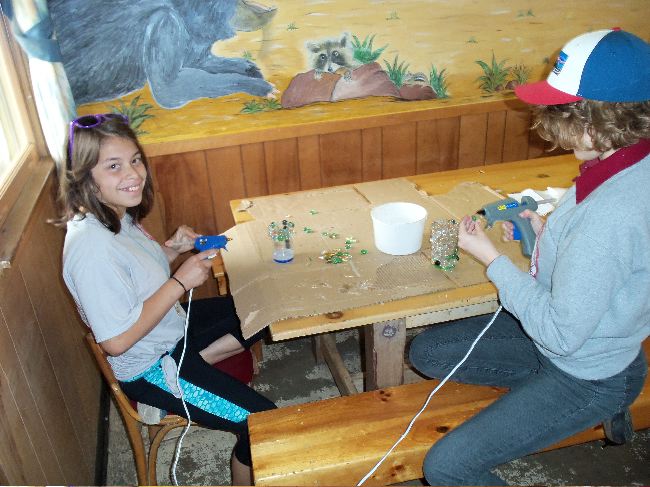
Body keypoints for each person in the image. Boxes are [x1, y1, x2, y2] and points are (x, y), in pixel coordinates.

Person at [409, 28, 650, 485]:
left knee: (446, 467)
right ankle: (547, 403)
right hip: (582, 342)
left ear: (598, 119)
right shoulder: (625, 165)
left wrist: (492, 260)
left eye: (559, 111)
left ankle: (591, 404)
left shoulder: (609, 216)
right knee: (428, 351)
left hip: (587, 372)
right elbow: (610, 261)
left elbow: (561, 332)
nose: (550, 124)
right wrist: (549, 235)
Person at [56, 113, 275, 485]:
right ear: (85, 178)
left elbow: (135, 276)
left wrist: (172, 249)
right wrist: (179, 281)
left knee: (264, 303)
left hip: (169, 328)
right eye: (114, 166)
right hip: (150, 365)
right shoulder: (91, 250)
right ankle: (182, 377)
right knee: (263, 425)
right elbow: (116, 342)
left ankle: (200, 361)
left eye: (135, 160)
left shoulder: (114, 214)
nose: (134, 174)